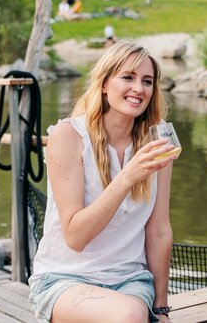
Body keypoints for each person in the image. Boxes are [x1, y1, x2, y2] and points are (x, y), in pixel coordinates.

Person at [28, 41, 177, 323]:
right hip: (65, 279)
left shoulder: (157, 144)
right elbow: (75, 237)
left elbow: (158, 231)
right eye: (128, 77)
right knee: (129, 316)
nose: (139, 89)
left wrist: (161, 308)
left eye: (147, 81)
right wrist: (127, 177)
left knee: (131, 312)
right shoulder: (68, 136)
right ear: (105, 84)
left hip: (130, 281)